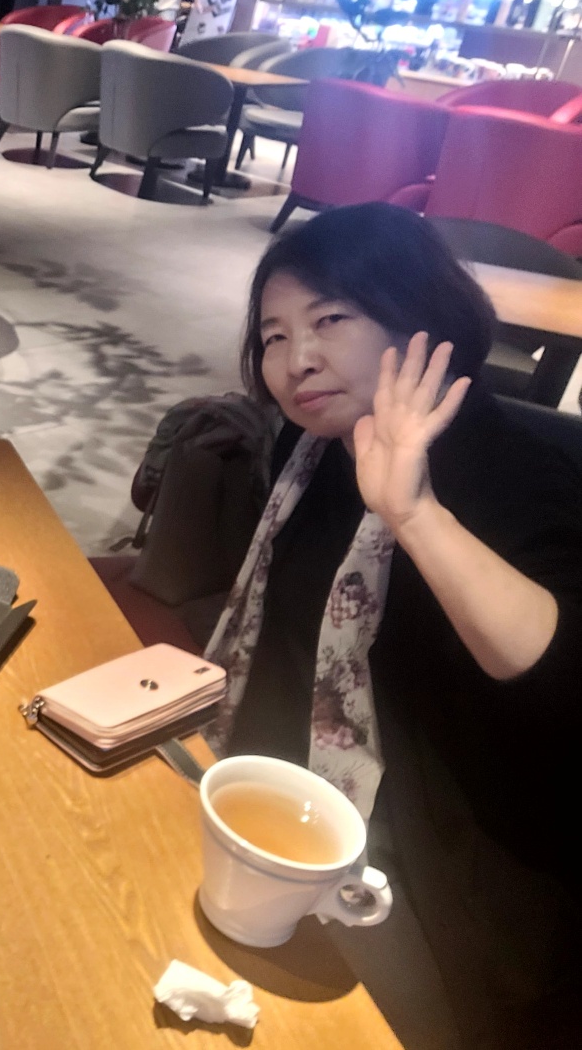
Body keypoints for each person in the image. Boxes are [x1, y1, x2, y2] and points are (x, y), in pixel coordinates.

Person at [208, 203, 582, 1049]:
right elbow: (284, 643)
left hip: (443, 859)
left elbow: (561, 679)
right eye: (272, 335)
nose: (296, 360)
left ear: (417, 316)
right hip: (292, 799)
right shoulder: (309, 452)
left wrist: (414, 514)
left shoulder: (515, 471)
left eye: (330, 320)